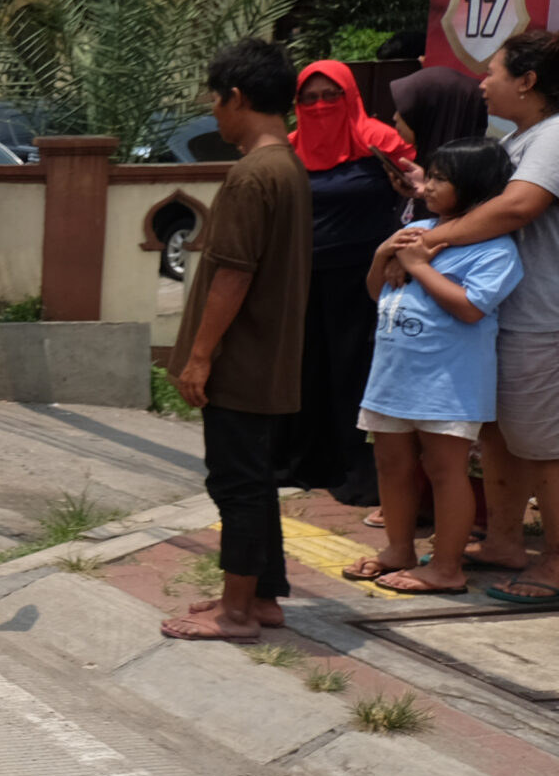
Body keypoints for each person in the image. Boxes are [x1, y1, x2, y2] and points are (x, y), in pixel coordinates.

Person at [386, 29, 559, 608]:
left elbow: (516, 207)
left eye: (495, 72)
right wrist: (429, 192)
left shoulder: (555, 136)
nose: (482, 83)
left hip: (541, 318)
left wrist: (429, 246)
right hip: (507, 315)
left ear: (528, 82)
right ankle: (506, 542)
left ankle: (556, 561)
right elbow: (486, 200)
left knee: (545, 446)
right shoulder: (520, 140)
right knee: (504, 437)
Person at [161, 40, 312, 642]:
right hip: (269, 359)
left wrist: (200, 356)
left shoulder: (253, 176)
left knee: (237, 484)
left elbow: (234, 274)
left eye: (216, 101)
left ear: (238, 97)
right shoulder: (289, 167)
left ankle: (238, 611)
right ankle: (262, 595)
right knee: (254, 479)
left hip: (242, 362)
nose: (214, 114)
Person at [348, 138, 521, 595]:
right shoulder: (419, 232)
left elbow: (469, 309)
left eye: (442, 179)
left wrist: (418, 266)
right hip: (392, 375)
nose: (428, 186)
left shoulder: (494, 249)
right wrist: (383, 255)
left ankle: (446, 566)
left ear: (475, 188)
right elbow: (377, 292)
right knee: (391, 463)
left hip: (449, 384)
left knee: (446, 470)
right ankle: (398, 549)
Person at [281, 59, 412, 506]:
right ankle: (303, 462)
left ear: (350, 96)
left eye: (330, 96)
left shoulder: (378, 140)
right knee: (305, 367)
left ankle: (355, 472)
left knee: (354, 370)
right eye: (309, 98)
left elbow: (417, 188)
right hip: (301, 276)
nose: (320, 106)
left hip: (363, 277)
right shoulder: (288, 148)